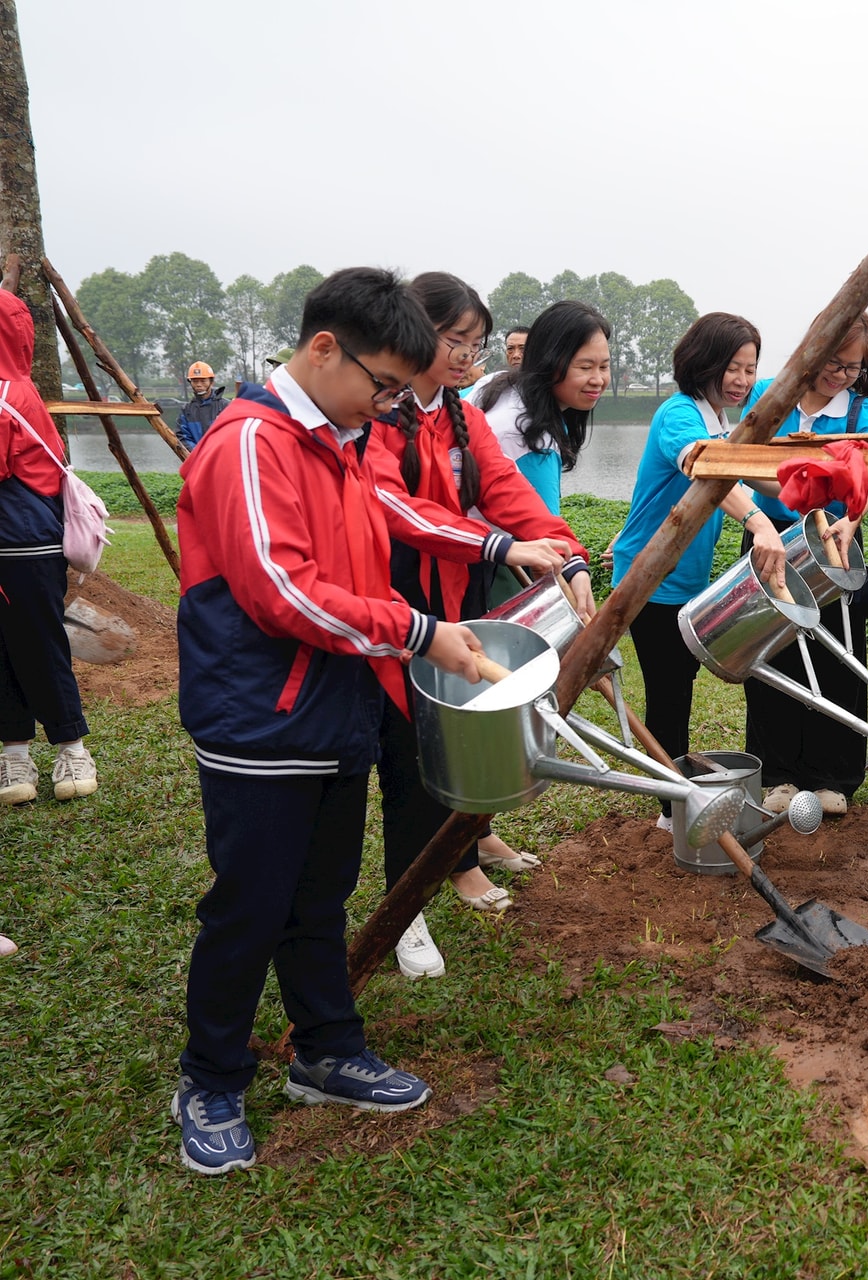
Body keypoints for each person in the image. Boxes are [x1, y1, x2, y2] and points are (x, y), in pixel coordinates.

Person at [171, 266, 486, 1175]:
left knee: (318, 896)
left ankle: (325, 1047)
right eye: (381, 386)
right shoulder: (247, 443)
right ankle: (211, 1077)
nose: (386, 407)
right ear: (322, 350)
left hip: (336, 708)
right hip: (261, 720)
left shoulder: (339, 439)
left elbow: (362, 571)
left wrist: (406, 640)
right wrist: (421, 633)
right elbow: (280, 595)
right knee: (250, 905)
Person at [364, 272, 592, 980]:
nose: (467, 355)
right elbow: (394, 507)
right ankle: (402, 912)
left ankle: (439, 874)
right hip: (388, 609)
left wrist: (571, 556)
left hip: (451, 608)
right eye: (453, 340)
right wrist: (495, 545)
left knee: (441, 752)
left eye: (476, 343)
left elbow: (508, 494)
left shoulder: (457, 416)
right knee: (404, 763)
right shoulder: (381, 415)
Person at [611, 313, 785, 825]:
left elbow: (750, 476)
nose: (743, 380)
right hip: (650, 576)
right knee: (669, 693)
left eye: (751, 369)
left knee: (678, 687)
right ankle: (671, 812)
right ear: (703, 362)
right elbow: (706, 467)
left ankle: (675, 798)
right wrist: (757, 522)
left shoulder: (720, 421)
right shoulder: (679, 415)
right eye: (733, 367)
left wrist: (810, 486)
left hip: (686, 581)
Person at [736, 314, 868, 817]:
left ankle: (833, 776)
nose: (840, 375)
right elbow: (741, 458)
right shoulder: (768, 396)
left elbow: (866, 481)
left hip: (831, 545)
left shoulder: (862, 413)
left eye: (852, 367)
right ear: (810, 350)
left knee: (838, 659)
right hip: (769, 543)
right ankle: (777, 776)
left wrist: (851, 520)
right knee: (772, 659)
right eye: (831, 362)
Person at [0, 288, 99, 808]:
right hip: (21, 543)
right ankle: (14, 753)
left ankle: (71, 745)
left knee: (39, 645)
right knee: (4, 650)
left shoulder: (10, 394)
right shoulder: (20, 388)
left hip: (23, 547)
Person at [476, 305, 608, 516]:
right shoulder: (534, 441)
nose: (598, 380)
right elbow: (547, 538)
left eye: (604, 367)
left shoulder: (493, 383)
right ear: (548, 362)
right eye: (585, 367)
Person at [463, 324, 529, 401]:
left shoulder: (543, 386)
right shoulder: (489, 386)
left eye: (522, 349)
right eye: (510, 348)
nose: (516, 355)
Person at [176, 361, 228, 450]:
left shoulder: (225, 407)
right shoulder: (186, 410)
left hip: (221, 459)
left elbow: (232, 435)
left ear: (211, 382)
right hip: (198, 460)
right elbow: (182, 437)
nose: (199, 385)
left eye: (203, 381)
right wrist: (198, 454)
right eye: (195, 381)